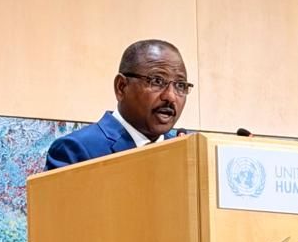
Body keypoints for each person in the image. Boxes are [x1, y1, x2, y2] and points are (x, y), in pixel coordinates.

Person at [45, 40, 192, 169]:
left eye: (180, 85)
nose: (170, 96)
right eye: (157, 81)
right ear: (121, 87)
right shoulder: (75, 151)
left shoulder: (185, 152)